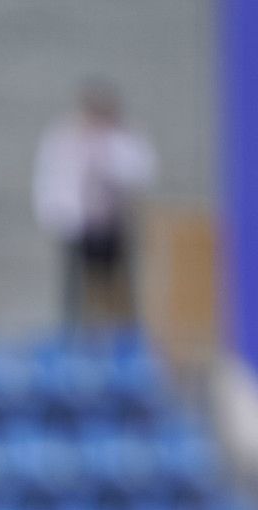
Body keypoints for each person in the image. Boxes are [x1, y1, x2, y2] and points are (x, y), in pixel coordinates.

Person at [32, 80, 157, 329]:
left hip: (113, 225)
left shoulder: (123, 138)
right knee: (75, 287)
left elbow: (141, 172)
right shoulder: (63, 137)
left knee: (115, 285)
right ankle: (74, 334)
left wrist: (107, 151)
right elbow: (50, 178)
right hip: (77, 224)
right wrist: (55, 215)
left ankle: (118, 333)